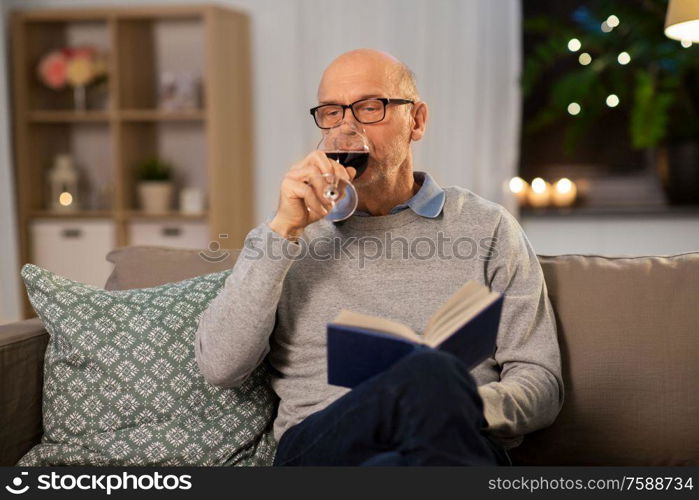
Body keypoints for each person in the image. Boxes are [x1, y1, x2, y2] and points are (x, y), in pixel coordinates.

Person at [194, 49, 564, 466]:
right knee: (428, 376)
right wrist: (283, 230)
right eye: (332, 113)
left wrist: (443, 402)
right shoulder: (289, 234)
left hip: (457, 439)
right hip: (325, 447)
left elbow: (541, 384)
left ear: (417, 121)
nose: (347, 127)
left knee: (419, 406)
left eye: (370, 108)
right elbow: (221, 366)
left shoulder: (489, 227)